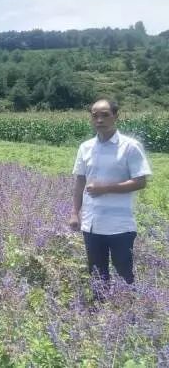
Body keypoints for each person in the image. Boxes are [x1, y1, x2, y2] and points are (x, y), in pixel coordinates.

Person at [69, 99, 152, 286]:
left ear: (115, 116)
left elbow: (141, 181)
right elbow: (80, 180)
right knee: (97, 274)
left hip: (120, 225)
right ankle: (98, 312)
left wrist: (105, 189)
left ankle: (127, 312)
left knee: (124, 273)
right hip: (92, 223)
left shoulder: (130, 146)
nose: (99, 119)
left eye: (105, 114)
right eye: (95, 115)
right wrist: (75, 213)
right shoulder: (85, 147)